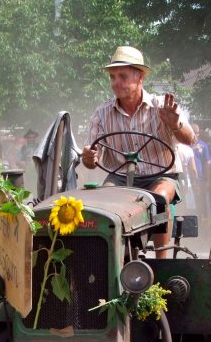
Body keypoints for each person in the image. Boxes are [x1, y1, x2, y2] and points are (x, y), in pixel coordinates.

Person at [81, 46, 195, 258]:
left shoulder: (161, 106)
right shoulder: (102, 113)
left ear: (140, 77)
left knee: (158, 198)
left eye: (123, 76)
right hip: (120, 177)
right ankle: (117, 260)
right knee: (103, 202)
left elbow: (190, 139)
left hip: (161, 175)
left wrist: (175, 125)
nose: (116, 82)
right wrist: (89, 156)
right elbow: (91, 157)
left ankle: (161, 260)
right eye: (112, 77)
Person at [191, 125, 211, 219]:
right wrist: (193, 149)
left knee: (201, 201)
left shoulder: (203, 145)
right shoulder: (184, 145)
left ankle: (201, 221)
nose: (195, 134)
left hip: (200, 179)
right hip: (188, 179)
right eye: (193, 132)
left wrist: (208, 180)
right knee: (189, 203)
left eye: (197, 132)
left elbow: (208, 163)